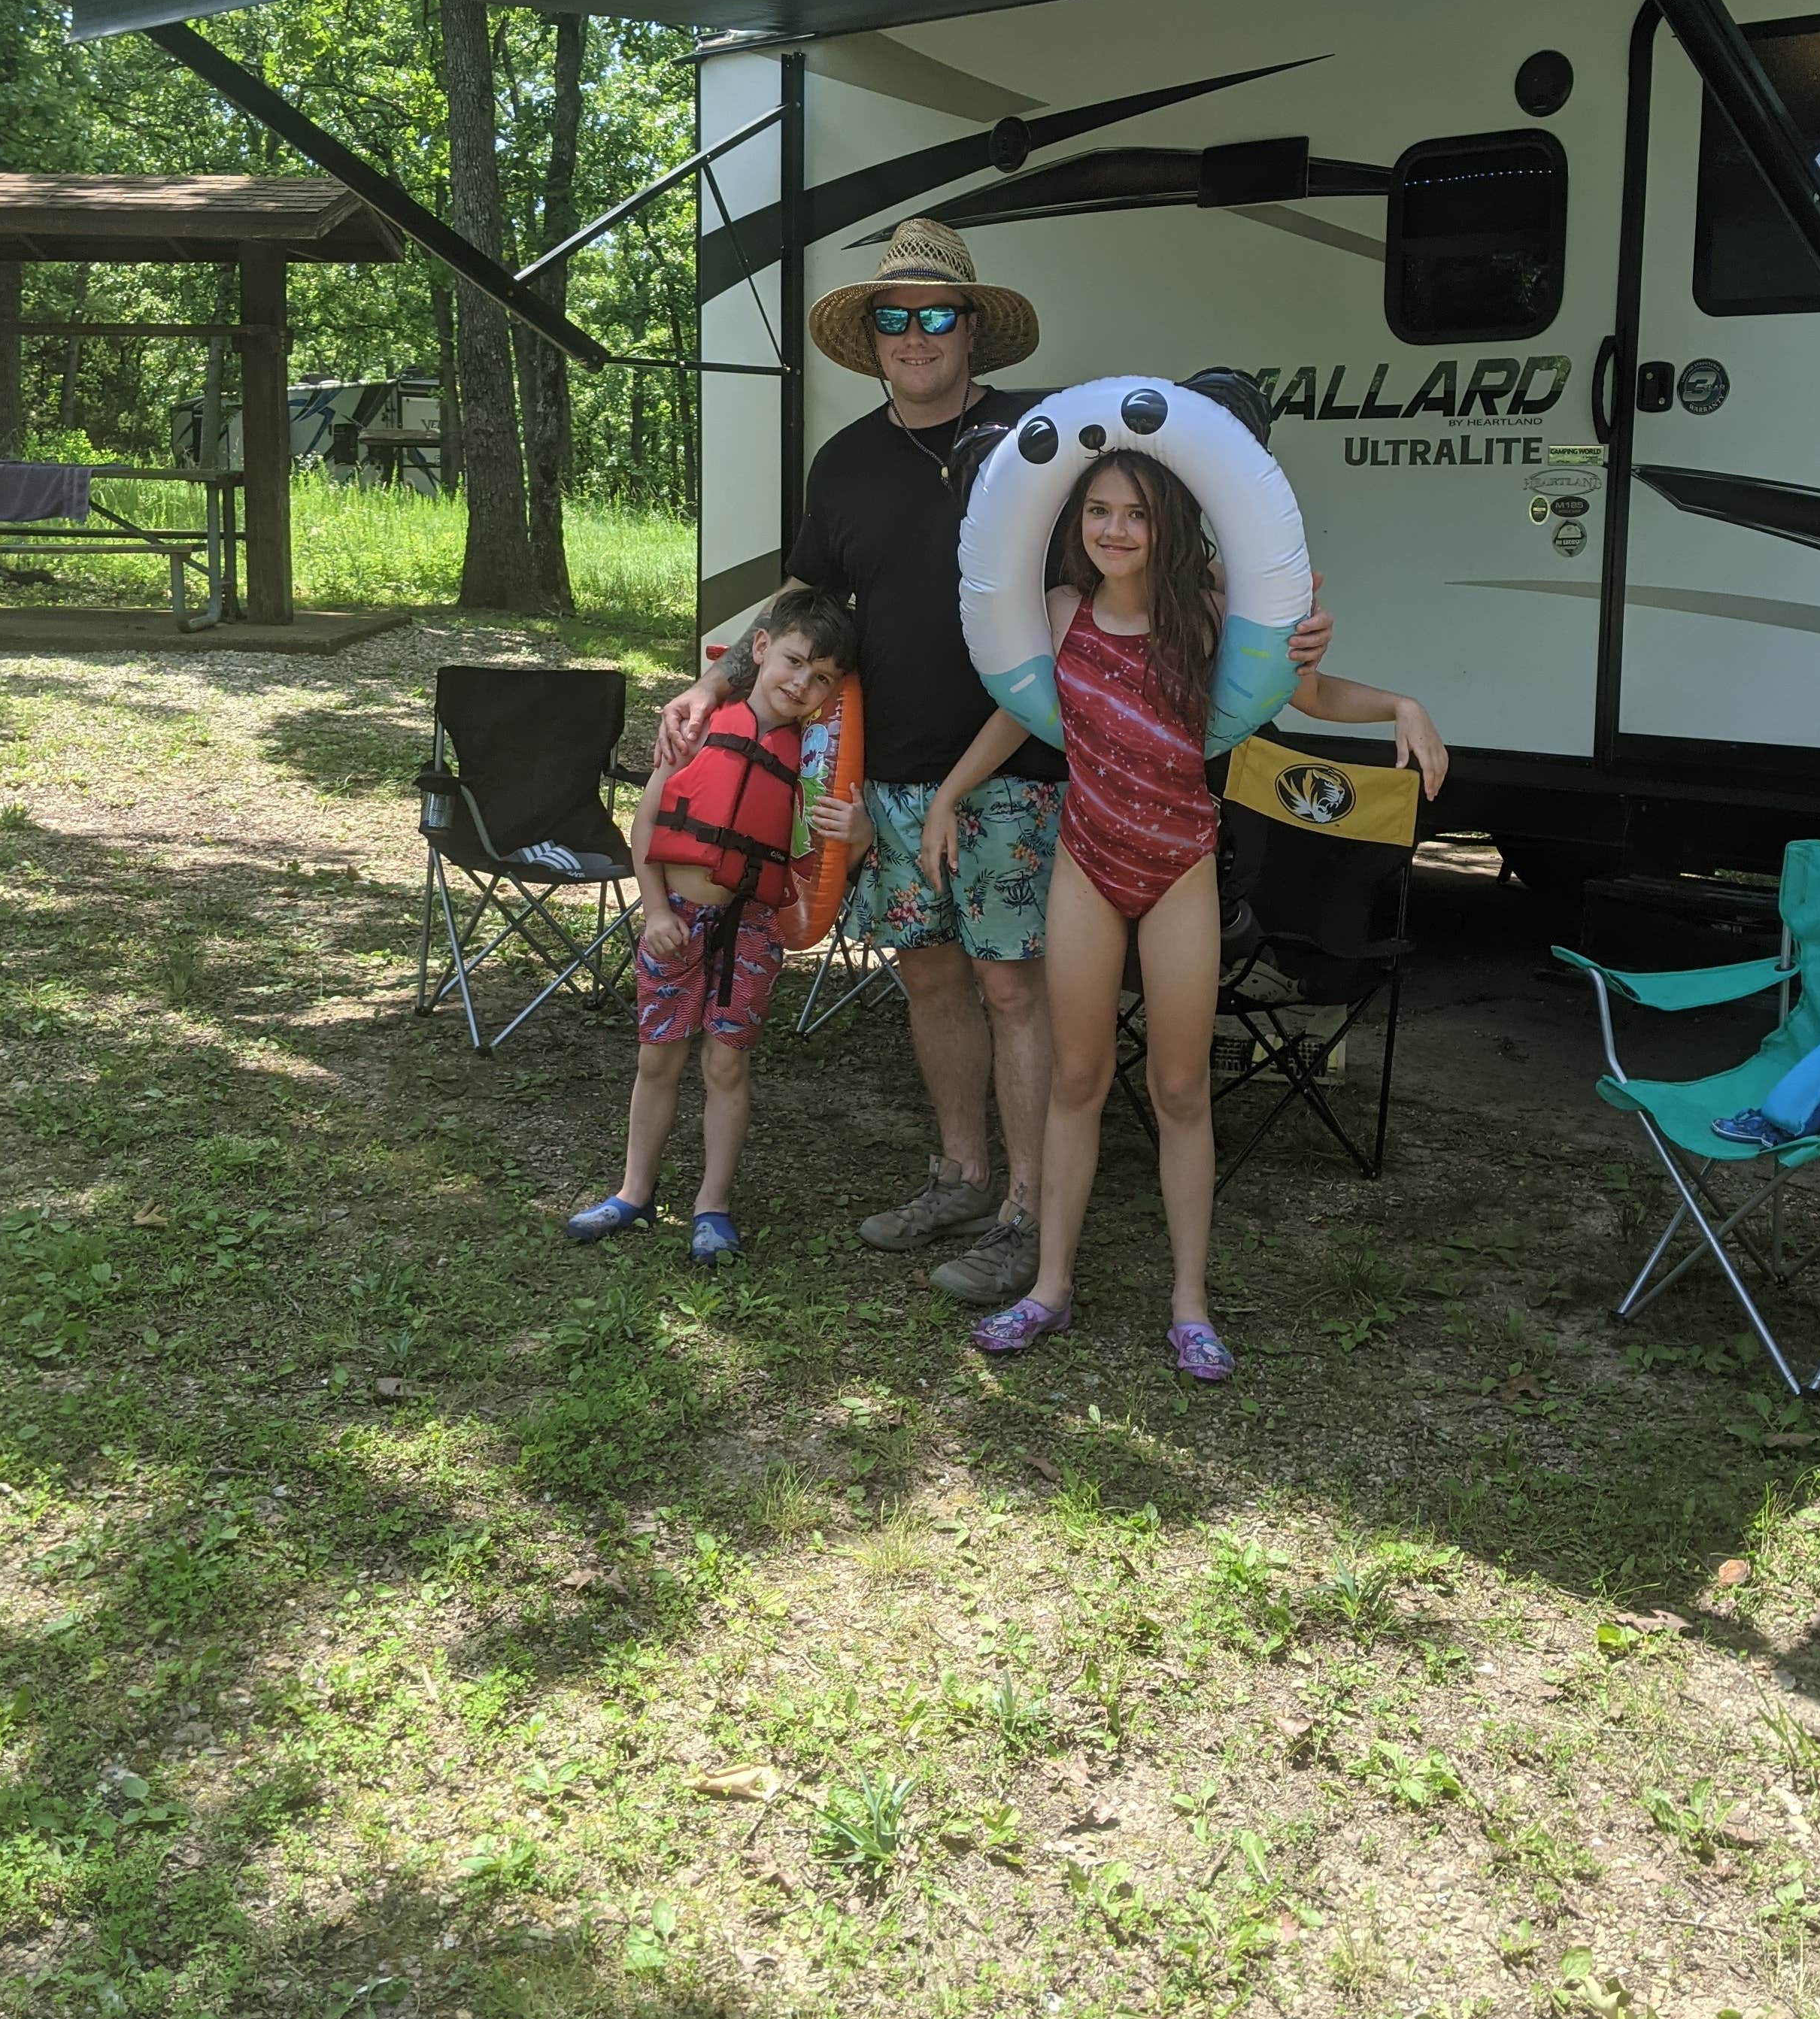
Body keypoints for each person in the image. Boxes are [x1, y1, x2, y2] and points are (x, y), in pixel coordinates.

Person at [657, 217, 1336, 1309]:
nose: (914, 336)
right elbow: (806, 610)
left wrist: (1274, 634)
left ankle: (1029, 1210)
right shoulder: (845, 463)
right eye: (893, 318)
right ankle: (963, 1176)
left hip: (1027, 769)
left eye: (935, 316)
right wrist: (717, 683)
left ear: (972, 330)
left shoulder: (1042, 439)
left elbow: (1155, 537)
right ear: (871, 338)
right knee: (927, 973)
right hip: (892, 771)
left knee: (1015, 988)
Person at [918, 446, 1446, 1381]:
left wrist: (1401, 703)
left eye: (1135, 514)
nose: (1113, 530)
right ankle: (1048, 1287)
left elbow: (1311, 691)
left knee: (1179, 1090)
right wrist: (949, 793)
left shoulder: (1208, 617)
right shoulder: (1062, 612)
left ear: (1167, 527)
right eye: (1097, 511)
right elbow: (1018, 706)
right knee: (1077, 1080)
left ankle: (1190, 1303)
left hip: (1179, 867)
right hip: (1086, 859)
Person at [570, 587, 858, 1260]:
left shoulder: (813, 759)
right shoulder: (699, 726)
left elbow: (823, 855)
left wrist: (861, 830)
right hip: (677, 922)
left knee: (727, 1068)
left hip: (751, 928)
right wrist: (656, 909)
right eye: (793, 662)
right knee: (657, 1060)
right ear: (760, 649)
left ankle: (713, 1206)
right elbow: (646, 826)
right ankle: (633, 1193)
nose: (801, 684)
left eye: (821, 679)